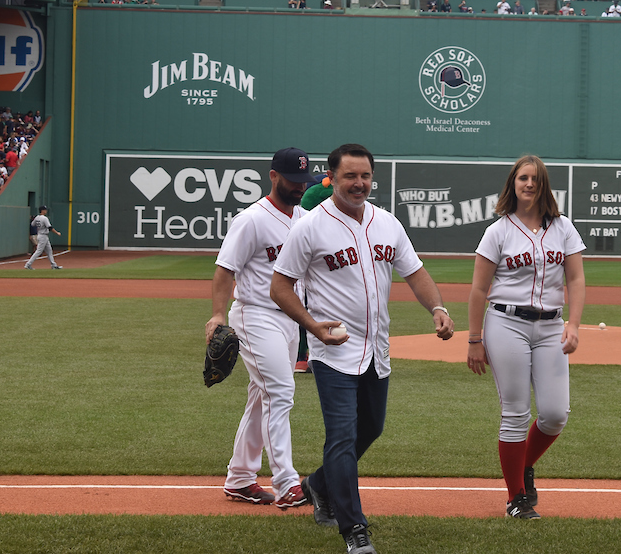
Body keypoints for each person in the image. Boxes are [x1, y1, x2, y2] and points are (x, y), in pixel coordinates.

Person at [269, 143, 454, 554]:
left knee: (370, 428)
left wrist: (437, 307)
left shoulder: (387, 223)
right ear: (331, 178)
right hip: (333, 351)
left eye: (365, 175)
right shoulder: (311, 227)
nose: (359, 183)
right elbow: (279, 286)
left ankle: (317, 485)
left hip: (376, 349)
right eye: (350, 176)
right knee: (341, 437)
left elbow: (416, 272)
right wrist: (313, 327)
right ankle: (354, 529)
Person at [466, 155, 586, 520]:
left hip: (551, 326)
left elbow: (576, 279)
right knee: (516, 413)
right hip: (507, 324)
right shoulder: (498, 231)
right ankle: (516, 498)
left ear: (544, 184)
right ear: (512, 184)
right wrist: (474, 339)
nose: (529, 184)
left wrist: (575, 324)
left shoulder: (563, 227)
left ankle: (522, 467)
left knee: (554, 415)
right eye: (522, 178)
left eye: (535, 179)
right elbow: (477, 289)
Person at [205, 148, 317, 509]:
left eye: (304, 181)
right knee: (281, 392)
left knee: (261, 397)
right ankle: (286, 483)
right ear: (273, 176)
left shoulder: (305, 218)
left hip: (290, 320)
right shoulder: (252, 220)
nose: (299, 187)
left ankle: (239, 478)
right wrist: (218, 315)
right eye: (292, 181)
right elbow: (226, 269)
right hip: (256, 315)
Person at [24, 205, 62, 269]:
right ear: (42, 210)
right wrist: (57, 233)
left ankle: (53, 265)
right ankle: (28, 264)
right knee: (38, 251)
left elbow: (32, 224)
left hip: (41, 235)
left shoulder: (37, 217)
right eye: (45, 210)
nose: (46, 211)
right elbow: (50, 228)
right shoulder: (44, 218)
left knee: (49, 251)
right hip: (43, 236)